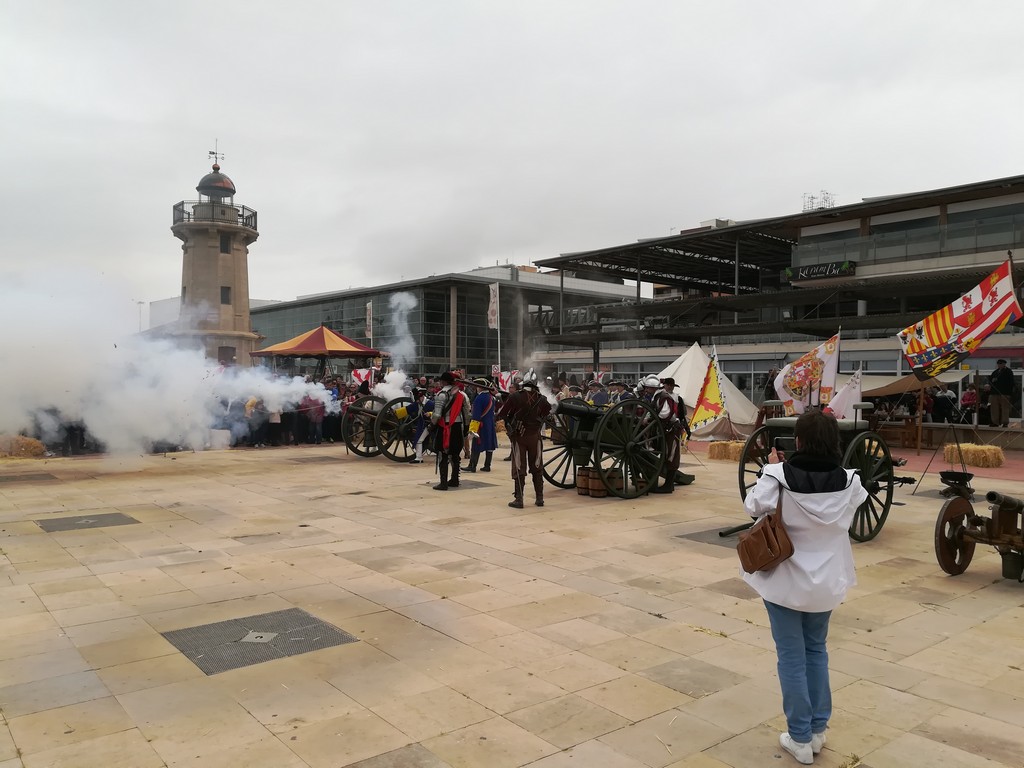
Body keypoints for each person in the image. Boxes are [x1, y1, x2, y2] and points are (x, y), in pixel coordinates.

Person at [742, 409, 868, 764]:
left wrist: (771, 467)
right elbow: (853, 508)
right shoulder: (851, 481)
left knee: (791, 657)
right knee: (817, 650)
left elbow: (752, 506)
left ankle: (798, 737)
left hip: (784, 579)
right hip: (827, 581)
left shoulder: (778, 476)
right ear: (834, 442)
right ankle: (816, 731)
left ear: (797, 441)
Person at [497, 379, 552, 508]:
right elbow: (547, 413)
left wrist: (511, 422)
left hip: (519, 436)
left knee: (518, 466)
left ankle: (519, 499)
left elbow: (503, 413)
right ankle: (539, 498)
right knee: (537, 466)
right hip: (535, 436)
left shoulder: (515, 396)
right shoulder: (542, 399)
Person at [650, 376, 691, 494]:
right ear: (666, 385)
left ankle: (669, 485)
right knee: (665, 453)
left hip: (672, 428)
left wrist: (686, 430)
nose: (671, 387)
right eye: (669, 385)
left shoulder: (677, 398)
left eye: (673, 385)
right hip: (663, 428)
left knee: (672, 455)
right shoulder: (660, 396)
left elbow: (681, 415)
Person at [430, 370, 471, 490]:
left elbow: (437, 415)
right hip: (458, 427)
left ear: (443, 381)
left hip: (445, 427)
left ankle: (443, 483)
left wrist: (431, 426)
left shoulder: (441, 395)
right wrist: (466, 428)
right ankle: (454, 479)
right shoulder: (462, 395)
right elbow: (466, 414)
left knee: (443, 454)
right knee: (455, 454)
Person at [465, 378, 498, 473]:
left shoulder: (479, 398)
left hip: (480, 425)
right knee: (489, 445)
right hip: (490, 424)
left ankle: (472, 466)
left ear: (480, 387)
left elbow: (476, 415)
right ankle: (487, 465)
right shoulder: (491, 397)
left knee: (476, 445)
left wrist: (473, 429)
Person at [989, 359, 1014, 428]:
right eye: (999, 364)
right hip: (995, 393)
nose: (1000, 365)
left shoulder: (1008, 372)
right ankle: (995, 422)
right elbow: (990, 381)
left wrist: (1009, 393)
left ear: (1004, 364)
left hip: (1004, 393)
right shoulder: (995, 372)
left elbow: (1011, 383)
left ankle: (1005, 422)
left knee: (1005, 408)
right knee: (994, 408)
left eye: (1001, 364)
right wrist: (992, 381)